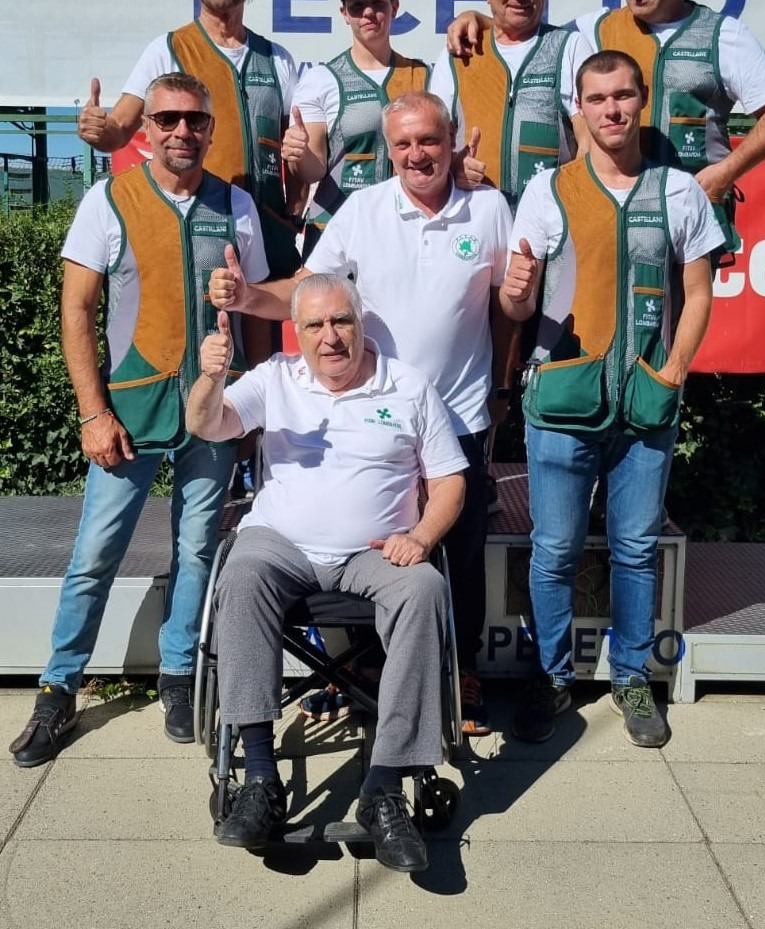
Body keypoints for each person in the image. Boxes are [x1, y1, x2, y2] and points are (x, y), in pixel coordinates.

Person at [208, 92, 514, 737]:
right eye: (402, 144)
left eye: (428, 140)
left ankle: (461, 674)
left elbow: (508, 304)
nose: (416, 154)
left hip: (458, 412)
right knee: (370, 543)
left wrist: (503, 385)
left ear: (451, 141)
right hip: (375, 413)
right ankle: (361, 672)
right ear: (388, 151)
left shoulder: (488, 207)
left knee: (456, 554)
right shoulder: (363, 209)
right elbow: (308, 290)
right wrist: (249, 297)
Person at [9, 74, 269, 767]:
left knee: (197, 548)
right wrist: (93, 412)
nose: (183, 130)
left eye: (195, 120)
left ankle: (178, 674)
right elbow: (75, 310)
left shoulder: (237, 204)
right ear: (146, 128)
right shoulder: (108, 198)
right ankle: (59, 687)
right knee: (95, 554)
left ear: (210, 129)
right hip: (129, 410)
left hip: (214, 411)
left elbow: (258, 312)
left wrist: (256, 407)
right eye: (168, 118)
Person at [185, 274, 467, 873]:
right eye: (314, 325)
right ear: (297, 331)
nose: (330, 336)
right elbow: (206, 425)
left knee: (424, 589)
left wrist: (420, 537)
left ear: (361, 323)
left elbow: (449, 481)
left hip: (377, 550)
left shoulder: (408, 385)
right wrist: (211, 379)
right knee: (242, 572)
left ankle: (384, 788)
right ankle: (260, 780)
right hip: (282, 543)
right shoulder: (276, 378)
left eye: (341, 321)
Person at [499, 50, 724, 748]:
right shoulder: (548, 189)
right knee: (553, 549)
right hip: (561, 403)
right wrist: (514, 292)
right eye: (597, 99)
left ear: (642, 98)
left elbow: (698, 293)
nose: (611, 110)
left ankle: (631, 676)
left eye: (622, 95)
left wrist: (673, 373)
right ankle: (549, 676)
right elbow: (518, 304)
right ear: (580, 107)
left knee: (635, 549)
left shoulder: (678, 191)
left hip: (646, 403)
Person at [448, 0, 765, 252]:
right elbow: (528, 34)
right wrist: (480, 19)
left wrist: (725, 173)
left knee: (692, 298)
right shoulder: (596, 28)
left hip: (694, 214)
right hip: (619, 218)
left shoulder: (723, 35)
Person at [77, 0, 301, 279]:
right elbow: (118, 129)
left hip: (270, 237)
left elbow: (297, 149)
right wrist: (99, 129)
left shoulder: (277, 59)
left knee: (266, 316)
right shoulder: (167, 50)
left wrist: (293, 212)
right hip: (200, 231)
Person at [429, 0, 592, 205]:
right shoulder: (457, 55)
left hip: (547, 220)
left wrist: (569, 205)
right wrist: (452, 166)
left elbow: (590, 141)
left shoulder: (570, 47)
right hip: (473, 218)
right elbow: (430, 142)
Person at [281, 0, 428, 255]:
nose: (368, 13)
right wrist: (300, 154)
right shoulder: (320, 80)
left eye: (377, 3)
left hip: (405, 232)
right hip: (336, 232)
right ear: (344, 13)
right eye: (357, 6)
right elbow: (313, 170)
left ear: (394, 7)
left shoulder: (423, 76)